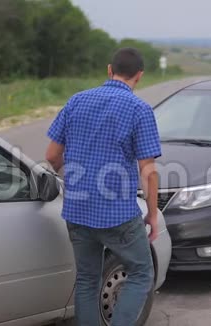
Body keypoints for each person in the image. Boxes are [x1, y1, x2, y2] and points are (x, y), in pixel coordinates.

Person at [45, 48, 161, 326]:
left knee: (87, 279)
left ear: (109, 70)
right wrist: (153, 214)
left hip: (77, 210)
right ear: (139, 76)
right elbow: (148, 171)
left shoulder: (76, 101)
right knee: (142, 273)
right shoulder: (139, 110)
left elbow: (51, 155)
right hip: (117, 214)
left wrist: (71, 178)